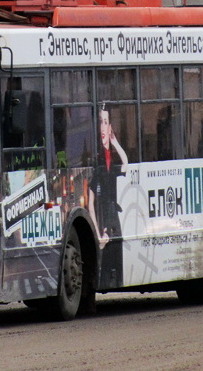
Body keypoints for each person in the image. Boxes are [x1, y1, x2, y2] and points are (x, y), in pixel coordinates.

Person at [87, 105, 128, 288]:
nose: (103, 127)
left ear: (110, 127)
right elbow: (90, 204)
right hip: (103, 220)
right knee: (104, 265)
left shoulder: (113, 157)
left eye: (106, 122)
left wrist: (115, 142)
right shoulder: (95, 160)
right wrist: (97, 232)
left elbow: (126, 165)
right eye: (100, 123)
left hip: (114, 220)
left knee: (117, 260)